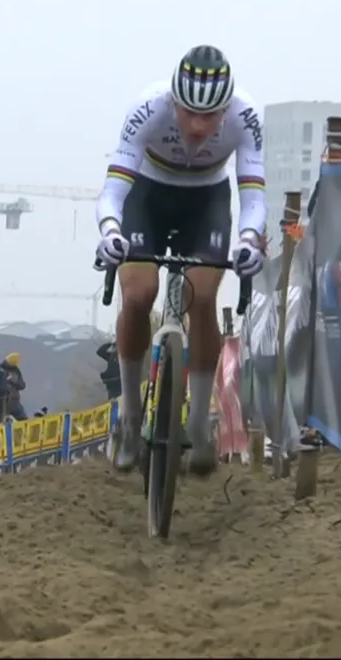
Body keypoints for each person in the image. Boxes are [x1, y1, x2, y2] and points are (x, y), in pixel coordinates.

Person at [93, 44, 267, 477]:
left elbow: (254, 197)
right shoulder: (147, 109)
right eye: (188, 113)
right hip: (147, 195)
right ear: (173, 101)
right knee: (138, 293)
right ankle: (131, 417)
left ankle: (197, 425)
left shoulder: (246, 119)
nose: (196, 125)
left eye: (209, 117)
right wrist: (111, 231)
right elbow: (114, 190)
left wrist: (248, 240)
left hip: (205, 199)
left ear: (226, 110)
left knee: (203, 296)